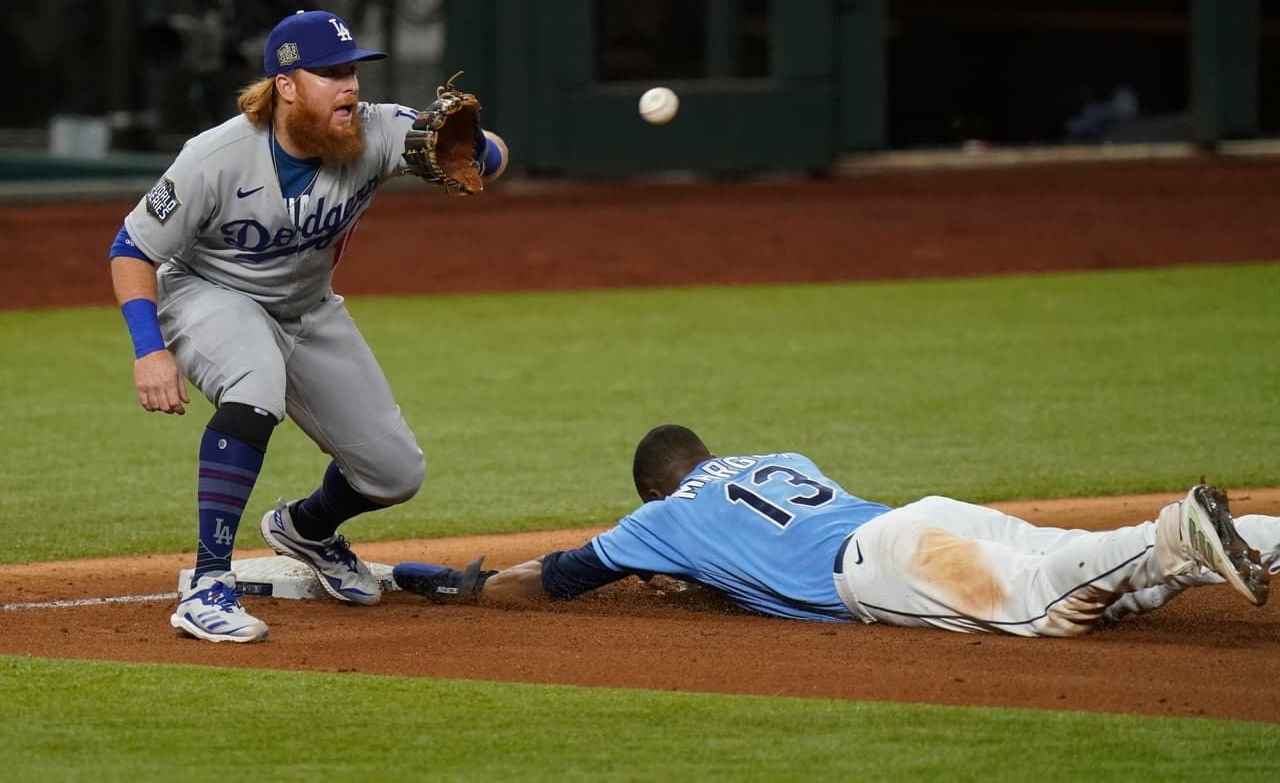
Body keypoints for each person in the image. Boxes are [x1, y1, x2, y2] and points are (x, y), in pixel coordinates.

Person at [109, 9, 508, 644]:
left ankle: (307, 529)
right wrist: (148, 350)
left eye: (351, 71)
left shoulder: (378, 131)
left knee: (394, 474)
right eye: (330, 74)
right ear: (287, 85)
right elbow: (132, 249)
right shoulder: (214, 156)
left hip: (309, 308)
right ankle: (210, 585)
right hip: (210, 295)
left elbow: (492, 157)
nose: (349, 86)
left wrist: (478, 148)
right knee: (254, 382)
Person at [394, 424, 1276, 637]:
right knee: (1085, 574)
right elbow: (753, 549)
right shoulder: (781, 457)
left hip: (879, 565)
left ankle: (1176, 531)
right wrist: (701, 581)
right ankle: (1249, 536)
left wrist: (475, 584)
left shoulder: (661, 514)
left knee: (1045, 607)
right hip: (915, 517)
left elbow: (557, 575)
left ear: (654, 486)